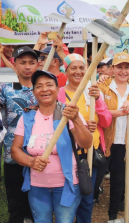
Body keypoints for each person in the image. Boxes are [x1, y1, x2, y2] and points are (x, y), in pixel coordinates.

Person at [11, 70, 93, 223]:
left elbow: (86, 143)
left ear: (57, 89)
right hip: (37, 187)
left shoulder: (68, 113)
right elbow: (15, 150)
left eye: (49, 85)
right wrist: (30, 162)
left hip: (67, 186)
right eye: (39, 86)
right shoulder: (28, 117)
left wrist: (76, 120)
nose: (45, 89)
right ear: (34, 91)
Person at [57, 53, 112, 223]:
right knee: (67, 194)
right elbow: (55, 124)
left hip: (90, 152)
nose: (78, 71)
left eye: (82, 67)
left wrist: (98, 100)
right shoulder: (58, 93)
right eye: (73, 68)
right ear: (65, 71)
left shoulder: (93, 91)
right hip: (68, 152)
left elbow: (107, 121)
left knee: (87, 196)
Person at [98, 52, 129, 222]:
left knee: (119, 180)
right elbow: (98, 113)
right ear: (112, 69)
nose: (123, 71)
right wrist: (120, 111)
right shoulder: (102, 87)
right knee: (96, 177)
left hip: (124, 143)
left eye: (127, 67)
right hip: (104, 141)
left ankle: (112, 215)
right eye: (119, 67)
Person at [0, 46, 39, 223]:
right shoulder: (6, 89)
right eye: (22, 62)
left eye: (31, 62)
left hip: (39, 154)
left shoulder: (44, 88)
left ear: (38, 65)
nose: (27, 66)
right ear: (14, 65)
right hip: (12, 153)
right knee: (15, 202)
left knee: (35, 204)